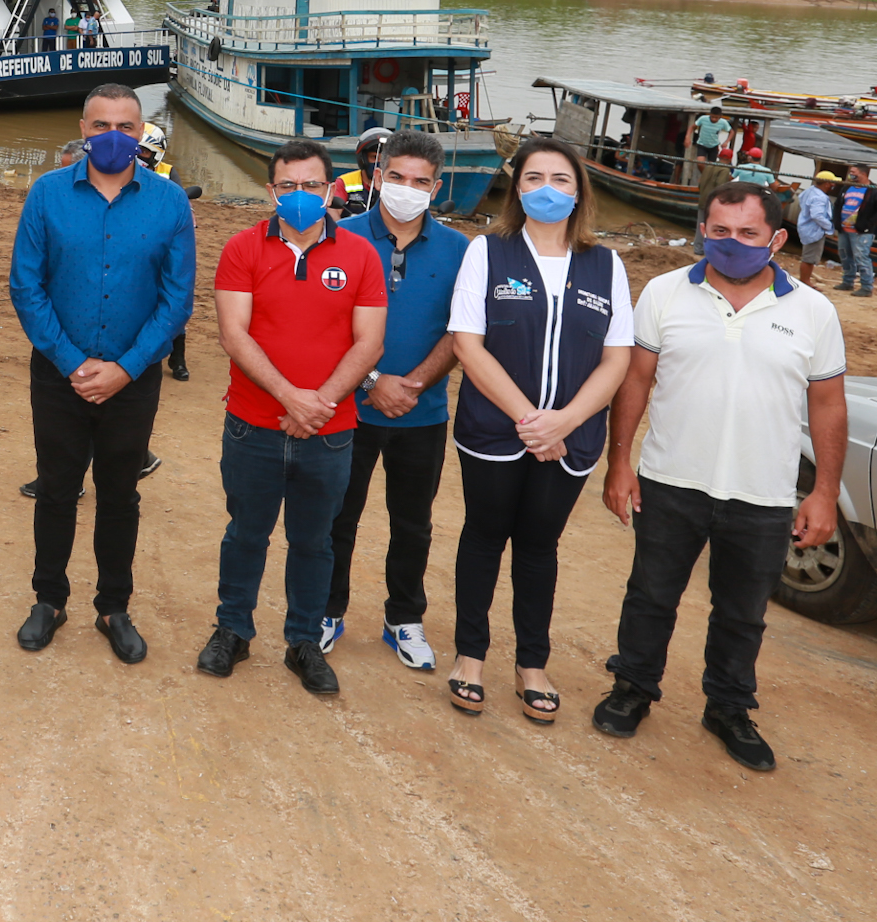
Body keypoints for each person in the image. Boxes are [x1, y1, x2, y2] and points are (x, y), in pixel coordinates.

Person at [593, 182, 846, 771]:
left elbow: (829, 405)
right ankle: (633, 686)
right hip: (670, 480)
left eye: (749, 234)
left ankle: (728, 707)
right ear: (703, 229)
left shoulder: (814, 311)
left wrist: (826, 491)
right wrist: (620, 462)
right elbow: (635, 383)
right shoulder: (662, 293)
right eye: (720, 230)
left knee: (742, 611)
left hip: (763, 492)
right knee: (651, 596)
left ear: (777, 239)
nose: (732, 243)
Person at [443, 137, 633, 721]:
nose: (546, 189)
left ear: (580, 193)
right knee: (483, 536)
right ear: (517, 189)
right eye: (533, 179)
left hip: (569, 441)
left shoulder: (606, 263)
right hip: (496, 431)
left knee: (538, 547)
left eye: (560, 179)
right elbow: (467, 344)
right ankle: (469, 657)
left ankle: (532, 664)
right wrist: (531, 421)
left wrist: (566, 424)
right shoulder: (488, 252)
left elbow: (617, 357)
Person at [10, 84, 195, 664]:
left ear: (140, 133)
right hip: (58, 375)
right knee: (57, 490)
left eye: (125, 126)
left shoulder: (170, 203)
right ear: (83, 129)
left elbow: (177, 299)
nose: (112, 136)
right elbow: (26, 286)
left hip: (132, 380)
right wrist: (71, 362)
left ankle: (114, 606)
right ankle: (49, 599)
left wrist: (126, 367)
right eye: (100, 125)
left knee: (121, 494)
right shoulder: (45, 195)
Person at [199, 140, 386, 695]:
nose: (299, 195)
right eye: (287, 185)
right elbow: (234, 334)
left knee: (316, 541)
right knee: (245, 534)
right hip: (252, 424)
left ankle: (304, 640)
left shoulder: (360, 255)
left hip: (329, 433)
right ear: (271, 191)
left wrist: (318, 403)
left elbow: (369, 342)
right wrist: (291, 398)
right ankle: (232, 629)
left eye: (311, 185)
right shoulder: (241, 248)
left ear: (332, 189)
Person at [323, 130, 461, 669]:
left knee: (413, 523)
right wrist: (371, 381)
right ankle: (328, 608)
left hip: (422, 413)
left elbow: (461, 329)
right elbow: (328, 323)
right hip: (349, 410)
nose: (407, 189)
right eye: (397, 177)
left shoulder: (459, 250)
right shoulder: (341, 236)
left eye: (420, 182)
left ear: (436, 186)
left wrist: (415, 384)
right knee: (339, 516)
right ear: (377, 177)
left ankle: (403, 618)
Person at [834, 163, 873, 296]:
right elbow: (838, 205)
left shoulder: (872, 190)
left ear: (863, 174)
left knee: (861, 257)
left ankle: (867, 287)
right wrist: (837, 223)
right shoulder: (846, 188)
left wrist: (868, 226)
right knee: (845, 256)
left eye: (853, 172)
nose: (851, 174)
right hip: (844, 229)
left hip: (862, 232)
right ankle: (848, 281)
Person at [796, 170, 838, 287]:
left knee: (810, 257)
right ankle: (805, 281)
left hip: (806, 227)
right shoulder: (820, 197)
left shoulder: (809, 191)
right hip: (814, 230)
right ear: (826, 184)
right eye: (832, 183)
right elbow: (817, 215)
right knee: (809, 258)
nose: (833, 186)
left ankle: (805, 280)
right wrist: (829, 227)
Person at [339, 128, 391, 217]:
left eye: (384, 159)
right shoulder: (345, 182)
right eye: (374, 157)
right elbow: (333, 213)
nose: (379, 163)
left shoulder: (399, 186)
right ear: (363, 160)